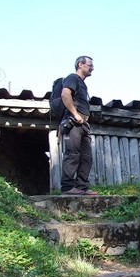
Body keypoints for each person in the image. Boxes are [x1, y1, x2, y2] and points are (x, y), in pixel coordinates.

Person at [60, 55, 98, 195]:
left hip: (83, 125)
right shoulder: (72, 78)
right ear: (80, 65)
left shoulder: (83, 84)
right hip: (74, 122)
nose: (92, 68)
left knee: (86, 157)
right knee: (72, 154)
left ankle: (82, 187)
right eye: (90, 65)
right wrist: (75, 114)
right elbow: (65, 94)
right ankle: (68, 187)